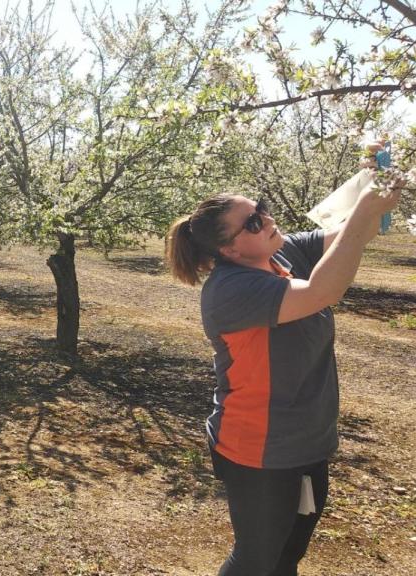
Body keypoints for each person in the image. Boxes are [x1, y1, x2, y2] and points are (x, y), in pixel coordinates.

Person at [165, 147, 403, 575]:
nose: (269, 221)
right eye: (253, 223)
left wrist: (368, 184)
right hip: (259, 449)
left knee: (289, 555)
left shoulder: (281, 254)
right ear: (229, 249)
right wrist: (369, 206)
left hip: (308, 441)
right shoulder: (230, 290)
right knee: (257, 559)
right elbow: (320, 293)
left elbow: (347, 236)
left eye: (263, 210)